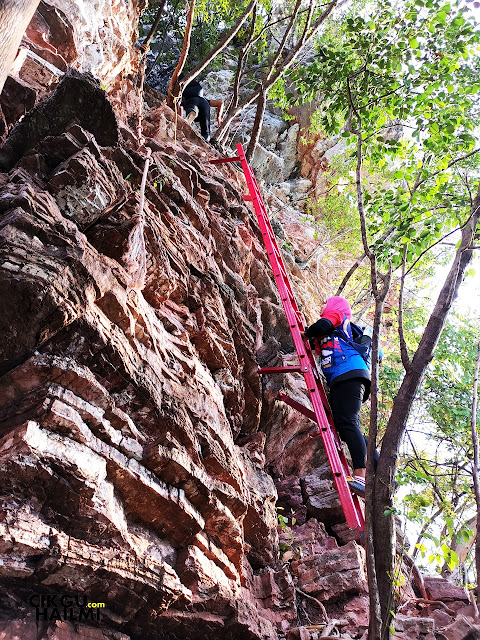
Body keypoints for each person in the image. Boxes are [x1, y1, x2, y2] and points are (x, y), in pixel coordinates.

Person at [303, 296, 380, 497]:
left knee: (347, 422)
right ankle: (381, 469)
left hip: (350, 373)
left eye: (325, 303)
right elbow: (319, 344)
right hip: (345, 377)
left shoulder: (337, 314)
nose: (322, 307)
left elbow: (321, 326)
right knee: (346, 429)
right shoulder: (333, 333)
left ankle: (361, 477)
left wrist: (306, 333)